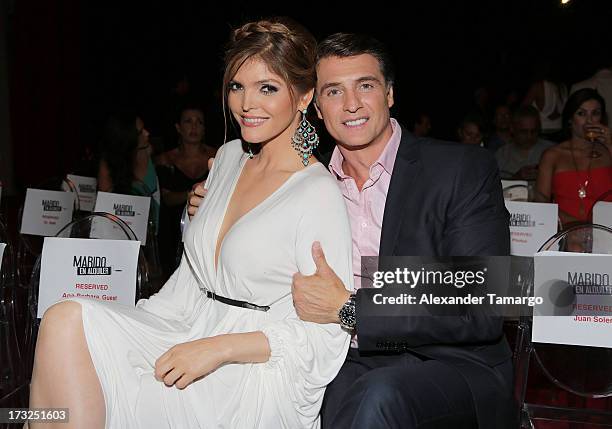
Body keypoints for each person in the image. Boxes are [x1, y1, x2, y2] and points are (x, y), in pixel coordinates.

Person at [30, 18, 353, 429]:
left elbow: (325, 337)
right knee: (65, 319)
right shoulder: (230, 156)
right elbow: (196, 273)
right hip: (184, 320)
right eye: (237, 86)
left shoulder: (317, 192)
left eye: (267, 88)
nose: (246, 104)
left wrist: (216, 349)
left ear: (305, 95)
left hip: (250, 365)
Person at [189, 33, 514, 429]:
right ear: (317, 107)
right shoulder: (307, 182)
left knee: (378, 396)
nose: (352, 104)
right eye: (334, 91)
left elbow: (484, 301)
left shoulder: (461, 168)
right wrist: (208, 209)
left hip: (448, 363)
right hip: (340, 357)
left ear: (390, 94)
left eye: (365, 85)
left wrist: (352, 307)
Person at [155, 101, 217, 277]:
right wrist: (193, 194)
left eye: (199, 122)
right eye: (188, 121)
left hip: (206, 229)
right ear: (178, 127)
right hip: (172, 231)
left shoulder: (218, 156)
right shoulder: (165, 159)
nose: (194, 127)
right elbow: (166, 198)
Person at [535, 88, 612, 226]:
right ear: (570, 119)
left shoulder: (608, 152)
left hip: (607, 230)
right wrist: (576, 228)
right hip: (567, 232)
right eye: (581, 113)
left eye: (595, 113)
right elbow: (541, 202)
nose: (589, 120)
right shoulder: (553, 155)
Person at [97, 112, 161, 233]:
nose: (147, 133)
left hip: (151, 228)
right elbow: (106, 204)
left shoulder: (149, 151)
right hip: (117, 229)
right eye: (141, 131)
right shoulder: (108, 162)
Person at [495, 105, 554, 180]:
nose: (529, 136)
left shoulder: (552, 151)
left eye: (533, 131)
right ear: (512, 129)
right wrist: (515, 178)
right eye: (523, 132)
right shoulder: (501, 156)